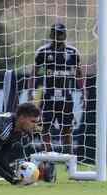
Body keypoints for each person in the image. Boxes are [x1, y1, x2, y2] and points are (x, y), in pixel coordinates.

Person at [29, 23, 86, 154]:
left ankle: (68, 161)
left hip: (66, 98)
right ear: (50, 34)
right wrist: (31, 92)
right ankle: (48, 159)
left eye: (60, 33)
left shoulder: (72, 52)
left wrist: (84, 93)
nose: (57, 36)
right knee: (44, 129)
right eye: (54, 33)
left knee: (67, 130)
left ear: (64, 35)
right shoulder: (43, 52)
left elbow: (79, 74)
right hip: (48, 97)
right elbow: (34, 73)